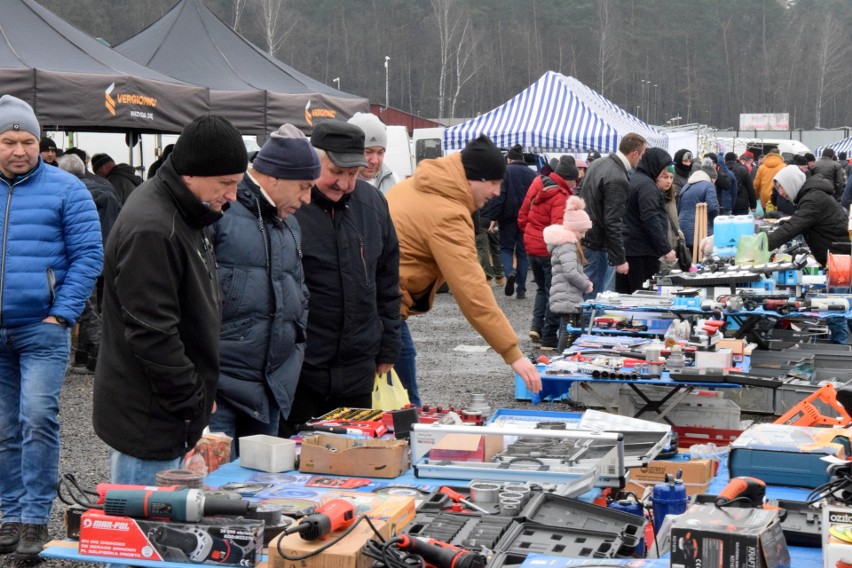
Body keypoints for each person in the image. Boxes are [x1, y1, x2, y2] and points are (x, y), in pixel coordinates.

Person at [92, 115, 247, 490]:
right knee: (146, 534)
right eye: (226, 183)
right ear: (192, 173)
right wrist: (192, 399)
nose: (233, 195)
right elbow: (151, 333)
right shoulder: (153, 227)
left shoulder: (187, 211)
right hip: (149, 420)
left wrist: (200, 394)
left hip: (167, 411)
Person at [0, 95, 102, 561]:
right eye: (8, 140)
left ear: (40, 143)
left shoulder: (66, 189)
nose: (18, 150)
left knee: (37, 419)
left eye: (27, 140)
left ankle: (36, 518)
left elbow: (88, 256)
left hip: (42, 330)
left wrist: (61, 314)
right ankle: (10, 516)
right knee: (3, 427)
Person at [386, 134, 542, 397]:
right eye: (493, 182)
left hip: (371, 309)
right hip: (386, 314)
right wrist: (513, 353)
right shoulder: (447, 213)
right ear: (473, 179)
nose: (496, 192)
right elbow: (472, 290)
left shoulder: (413, 186)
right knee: (406, 413)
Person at [207, 125, 318, 458]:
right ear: (274, 178)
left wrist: (294, 349)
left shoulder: (289, 223)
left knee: (258, 495)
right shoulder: (220, 213)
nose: (307, 199)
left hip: (271, 388)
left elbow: (299, 291)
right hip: (220, 391)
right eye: (304, 187)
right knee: (213, 493)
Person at [282, 120, 401, 430]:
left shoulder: (372, 203)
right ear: (313, 160)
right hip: (300, 371)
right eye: (335, 172)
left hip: (357, 369)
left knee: (353, 458)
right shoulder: (291, 206)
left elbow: (387, 279)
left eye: (352, 173)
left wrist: (388, 344)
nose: (344, 184)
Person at [766, 165, 850, 344]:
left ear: (792, 184)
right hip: (838, 256)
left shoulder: (813, 198)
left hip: (840, 259)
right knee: (840, 306)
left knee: (836, 307)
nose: (782, 194)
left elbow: (795, 226)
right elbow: (799, 222)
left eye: (783, 188)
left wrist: (763, 243)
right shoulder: (812, 195)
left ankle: (840, 347)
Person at [56, 153, 121, 373]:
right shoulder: (106, 188)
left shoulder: (67, 194)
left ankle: (102, 356)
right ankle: (85, 359)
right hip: (107, 255)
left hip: (79, 258)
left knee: (86, 309)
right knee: (94, 308)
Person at [518, 156, 577, 348]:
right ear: (568, 179)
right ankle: (549, 337)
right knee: (555, 292)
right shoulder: (560, 195)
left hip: (532, 246)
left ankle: (536, 327)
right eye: (574, 180)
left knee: (542, 289)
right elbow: (558, 228)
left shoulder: (538, 182)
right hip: (547, 249)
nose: (576, 184)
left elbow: (522, 215)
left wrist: (530, 234)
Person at [579, 132, 647, 297]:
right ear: (634, 153)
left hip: (586, 237)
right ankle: (587, 323)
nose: (641, 159)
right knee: (594, 298)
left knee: (586, 291)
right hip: (598, 244)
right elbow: (613, 221)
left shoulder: (597, 164)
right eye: (642, 155)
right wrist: (620, 259)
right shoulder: (618, 178)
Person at [617, 148, 676, 293]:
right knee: (643, 295)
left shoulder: (634, 178)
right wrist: (665, 248)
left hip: (630, 248)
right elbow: (650, 218)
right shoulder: (647, 185)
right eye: (663, 166)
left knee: (626, 295)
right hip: (642, 252)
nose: (664, 171)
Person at [482, 144, 536, 299]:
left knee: (505, 248)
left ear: (509, 159)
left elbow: (499, 196)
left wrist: (493, 218)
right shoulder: (532, 175)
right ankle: (522, 288)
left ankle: (510, 273)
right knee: (522, 253)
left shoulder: (505, 173)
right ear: (523, 158)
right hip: (526, 219)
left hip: (507, 219)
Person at [544, 196, 594, 352]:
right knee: (569, 330)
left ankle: (564, 357)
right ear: (573, 229)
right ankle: (562, 358)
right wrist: (585, 285)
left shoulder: (566, 244)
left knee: (569, 327)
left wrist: (585, 279)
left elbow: (573, 270)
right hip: (567, 295)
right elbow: (571, 272)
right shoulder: (568, 245)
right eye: (581, 231)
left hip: (566, 294)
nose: (583, 235)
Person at [347, 112, 399, 194]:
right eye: (368, 152)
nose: (374, 161)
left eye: (380, 153)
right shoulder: (340, 185)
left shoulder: (393, 180)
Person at [677, 162, 720, 250]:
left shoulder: (686, 186)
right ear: (711, 178)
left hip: (683, 228)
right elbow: (713, 208)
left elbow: (678, 208)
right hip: (699, 230)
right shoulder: (709, 186)